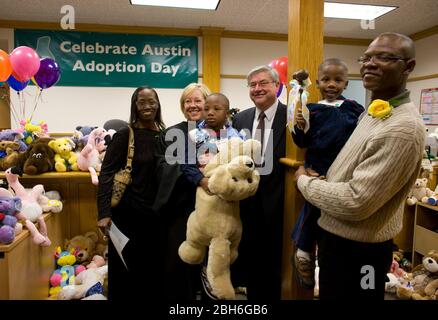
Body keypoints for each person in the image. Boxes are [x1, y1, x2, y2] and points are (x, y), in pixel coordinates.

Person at [295, 32, 426, 300]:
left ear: (409, 67)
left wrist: (303, 181)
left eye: (384, 57)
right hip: (336, 242)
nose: (370, 64)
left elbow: (356, 201)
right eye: (366, 58)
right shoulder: (375, 112)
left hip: (360, 252)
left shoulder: (401, 128)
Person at [290, 58, 364, 289]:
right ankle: (303, 251)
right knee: (313, 209)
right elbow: (301, 141)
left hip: (344, 169)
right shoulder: (310, 109)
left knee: (337, 216)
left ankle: (328, 262)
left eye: (338, 80)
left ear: (346, 83)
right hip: (317, 166)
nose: (332, 84)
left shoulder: (354, 108)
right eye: (326, 79)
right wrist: (300, 125)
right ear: (319, 83)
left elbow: (362, 138)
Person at [97, 86, 169, 300]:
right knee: (125, 273)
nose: (147, 106)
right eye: (142, 102)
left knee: (152, 272)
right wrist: (103, 213)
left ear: (158, 104)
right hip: (127, 216)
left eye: (151, 101)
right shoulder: (124, 135)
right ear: (134, 106)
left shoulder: (165, 136)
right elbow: (106, 174)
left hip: (156, 217)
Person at [231, 65, 288, 300]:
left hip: (280, 205)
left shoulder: (291, 116)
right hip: (246, 204)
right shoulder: (240, 118)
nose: (257, 89)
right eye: (252, 85)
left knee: (275, 269)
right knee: (251, 264)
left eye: (263, 83)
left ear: (277, 86)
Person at [158, 82, 211, 301]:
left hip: (211, 209)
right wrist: (197, 173)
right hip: (181, 208)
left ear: (207, 103)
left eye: (197, 100)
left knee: (210, 265)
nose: (192, 105)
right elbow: (170, 168)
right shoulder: (173, 133)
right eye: (187, 101)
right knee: (179, 264)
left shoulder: (217, 130)